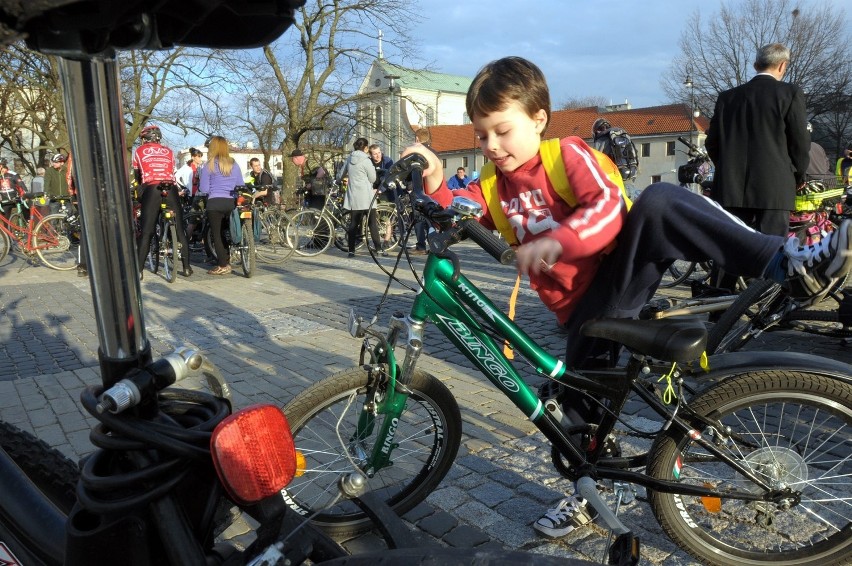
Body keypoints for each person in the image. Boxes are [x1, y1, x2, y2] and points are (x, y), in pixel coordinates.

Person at [401, 55, 852, 539]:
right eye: (481, 134)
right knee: (578, 424)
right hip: (580, 313)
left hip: (616, 278)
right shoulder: (493, 184)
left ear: (538, 119)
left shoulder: (566, 155)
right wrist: (431, 177)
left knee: (657, 204)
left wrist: (559, 241)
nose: (492, 145)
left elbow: (609, 208)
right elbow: (456, 213)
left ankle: (788, 263)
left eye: (502, 131)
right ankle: (589, 493)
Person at [705, 43, 810, 237]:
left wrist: (728, 167)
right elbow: (800, 142)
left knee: (731, 251)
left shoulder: (727, 98)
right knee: (770, 253)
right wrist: (798, 174)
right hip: (774, 188)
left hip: (730, 188)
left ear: (755, 65)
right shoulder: (790, 94)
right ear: (782, 66)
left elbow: (712, 143)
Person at [132, 124, 193, 278]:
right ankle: (186, 268)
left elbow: (138, 174)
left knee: (147, 231)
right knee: (180, 229)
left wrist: (139, 190)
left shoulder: (139, 151)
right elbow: (171, 169)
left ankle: (138, 270)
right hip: (170, 188)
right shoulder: (169, 151)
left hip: (151, 188)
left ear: (145, 138)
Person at [198, 135, 242, 275]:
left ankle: (223, 264)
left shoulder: (209, 165)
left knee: (216, 234)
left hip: (214, 202)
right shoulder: (234, 164)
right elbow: (240, 184)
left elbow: (204, 188)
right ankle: (232, 256)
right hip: (230, 202)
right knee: (226, 231)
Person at [336, 137, 382, 257]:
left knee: (353, 224)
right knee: (372, 224)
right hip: (367, 196)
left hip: (354, 196)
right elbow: (373, 178)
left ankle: (351, 251)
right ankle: (378, 249)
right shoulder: (366, 160)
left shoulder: (349, 159)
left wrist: (338, 181)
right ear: (366, 148)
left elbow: (340, 175)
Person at [805, 123, 835, 188]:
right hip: (828, 182)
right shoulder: (817, 146)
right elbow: (827, 164)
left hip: (810, 184)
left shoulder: (795, 147)